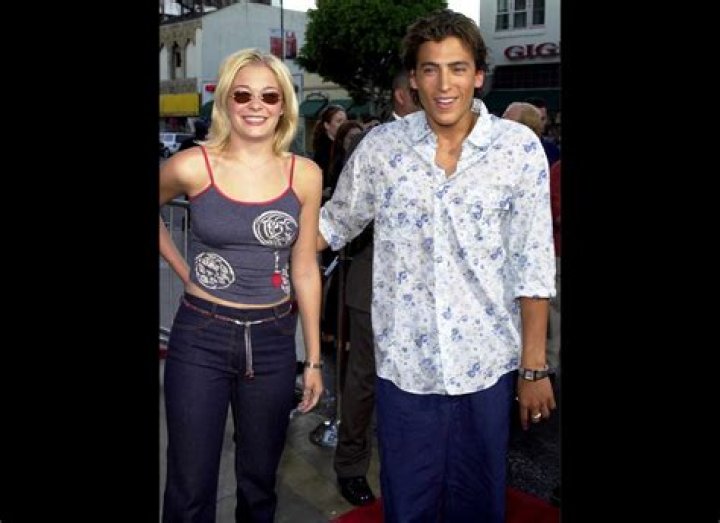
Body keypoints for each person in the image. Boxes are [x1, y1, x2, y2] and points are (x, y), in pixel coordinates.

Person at [318, 9, 556, 522]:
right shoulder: (382, 149)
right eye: (430, 69)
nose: (444, 84)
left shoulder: (518, 150)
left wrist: (534, 367)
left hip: (486, 367)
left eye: (457, 68)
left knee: (480, 507)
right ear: (414, 79)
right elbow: (331, 225)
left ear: (478, 75)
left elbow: (533, 262)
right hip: (405, 372)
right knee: (407, 508)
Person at [159, 48, 324, 523]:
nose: (256, 105)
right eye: (243, 94)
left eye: (269, 96)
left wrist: (313, 360)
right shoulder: (192, 166)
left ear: (283, 105)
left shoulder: (305, 175)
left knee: (259, 484)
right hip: (200, 335)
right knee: (190, 487)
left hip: (273, 341)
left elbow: (305, 267)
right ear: (226, 101)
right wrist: (184, 270)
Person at [330, 69, 419, 507]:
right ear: (403, 94)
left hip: (425, 290)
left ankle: (410, 466)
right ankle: (350, 466)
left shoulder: (443, 140)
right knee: (364, 380)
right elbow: (349, 213)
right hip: (372, 281)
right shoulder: (372, 142)